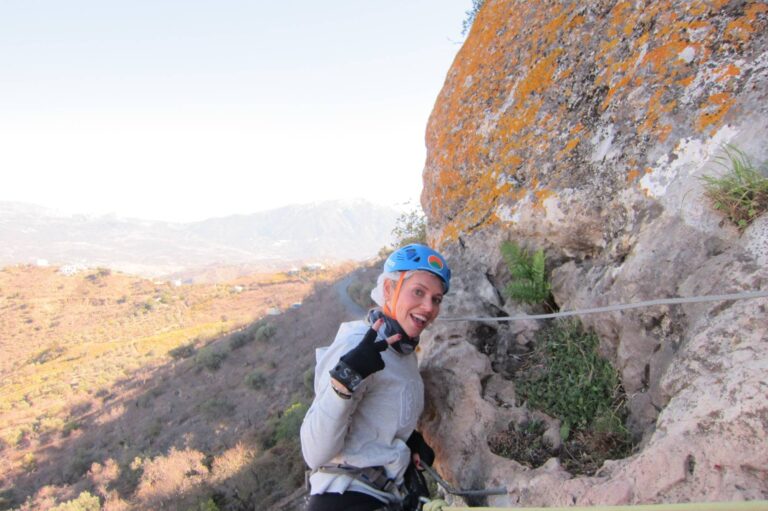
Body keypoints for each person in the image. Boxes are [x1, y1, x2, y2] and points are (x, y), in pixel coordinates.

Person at [300, 244, 451, 511]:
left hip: (382, 496)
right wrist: (344, 382)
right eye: (418, 291)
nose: (428, 306)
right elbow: (314, 453)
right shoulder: (357, 347)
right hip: (345, 499)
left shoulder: (401, 350)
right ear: (389, 289)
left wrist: (406, 439)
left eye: (436, 299)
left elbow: (377, 411)